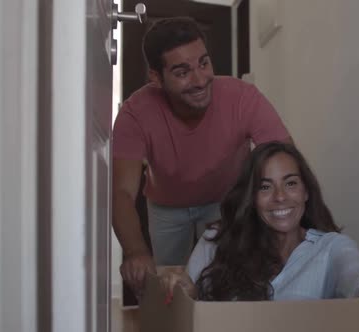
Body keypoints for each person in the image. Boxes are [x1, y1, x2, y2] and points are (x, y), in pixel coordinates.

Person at [112, 16, 293, 296]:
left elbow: (285, 160)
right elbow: (122, 192)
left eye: (204, 63)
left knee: (227, 280)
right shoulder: (134, 114)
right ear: (156, 78)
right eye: (182, 72)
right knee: (167, 287)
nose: (200, 80)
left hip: (225, 201)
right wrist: (135, 251)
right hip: (166, 208)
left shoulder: (242, 97)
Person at [160, 141, 359, 330]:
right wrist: (181, 288)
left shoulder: (330, 248)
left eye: (291, 183)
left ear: (305, 191)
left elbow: (355, 272)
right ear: (251, 198)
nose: (280, 197)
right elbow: (186, 297)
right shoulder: (217, 240)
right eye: (265, 187)